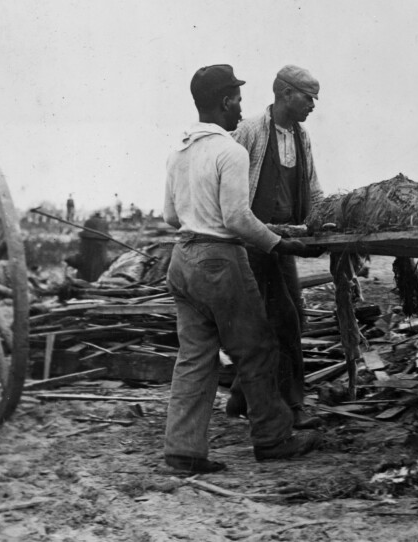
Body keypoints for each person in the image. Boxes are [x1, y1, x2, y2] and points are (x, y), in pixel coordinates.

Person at [162, 64, 322, 474]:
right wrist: (279, 243)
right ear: (223, 102)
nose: (239, 108)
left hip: (182, 261)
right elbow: (237, 217)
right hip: (220, 259)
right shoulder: (231, 151)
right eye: (235, 100)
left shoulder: (179, 150)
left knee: (194, 358)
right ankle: (273, 438)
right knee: (258, 347)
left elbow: (168, 216)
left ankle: (183, 451)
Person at [226, 64, 325, 429]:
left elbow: (313, 188)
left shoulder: (303, 137)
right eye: (308, 97)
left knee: (290, 315)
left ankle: (239, 398)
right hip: (253, 242)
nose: (313, 105)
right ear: (285, 94)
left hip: (286, 242)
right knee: (281, 320)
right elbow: (228, 186)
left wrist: (322, 223)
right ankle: (293, 405)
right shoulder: (249, 131)